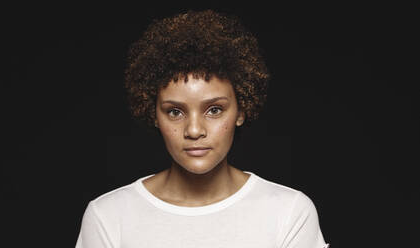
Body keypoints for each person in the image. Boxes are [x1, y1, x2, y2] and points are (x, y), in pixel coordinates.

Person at [75, 10, 329, 248]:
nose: (194, 130)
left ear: (241, 111)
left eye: (214, 110)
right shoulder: (108, 216)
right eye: (175, 112)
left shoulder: (289, 212)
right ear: (154, 115)